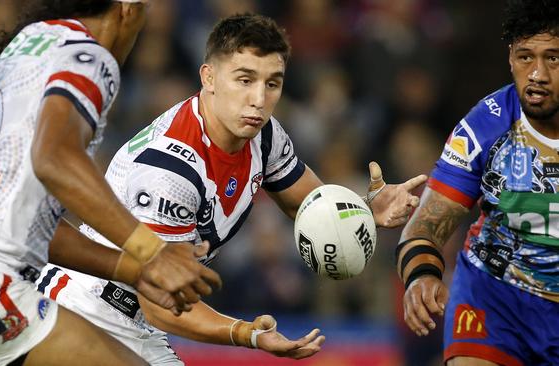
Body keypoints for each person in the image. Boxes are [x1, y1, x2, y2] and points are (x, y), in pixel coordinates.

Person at [36, 13, 428, 365]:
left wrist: (362, 212)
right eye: (244, 79)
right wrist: (249, 335)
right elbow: (158, 298)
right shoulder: (169, 171)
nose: (259, 99)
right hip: (86, 308)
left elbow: (309, 204)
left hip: (141, 321)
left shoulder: (264, 134)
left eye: (271, 83)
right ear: (208, 78)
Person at [0, 1, 222, 365]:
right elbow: (54, 159)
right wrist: (152, 250)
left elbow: (32, 222)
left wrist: (136, 270)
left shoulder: (29, 43)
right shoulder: (89, 55)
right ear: (127, 10)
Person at [396, 1, 559, 364]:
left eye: (553, 58)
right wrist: (421, 276)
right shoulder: (485, 126)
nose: (538, 74)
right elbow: (423, 227)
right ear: (510, 58)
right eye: (525, 57)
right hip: (494, 300)